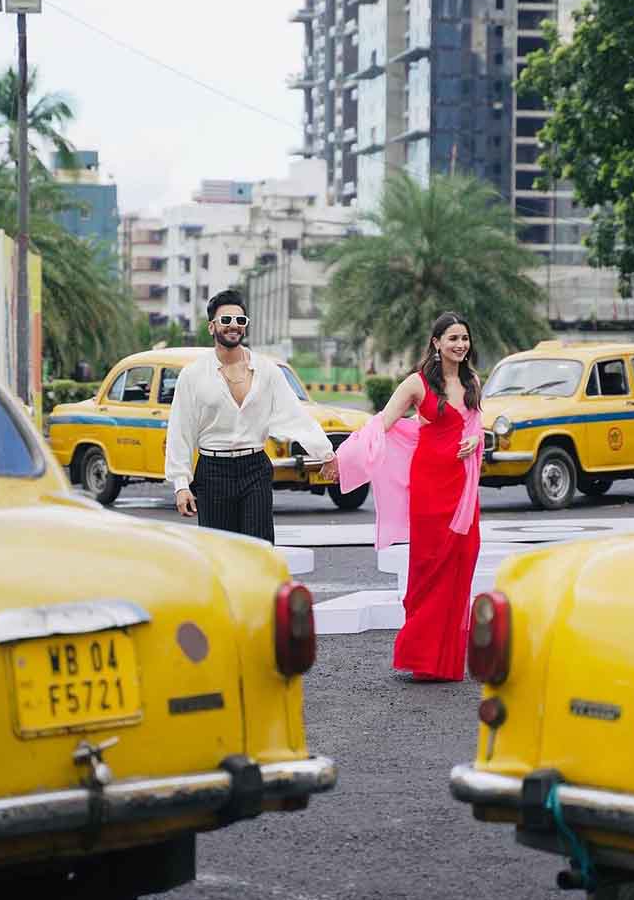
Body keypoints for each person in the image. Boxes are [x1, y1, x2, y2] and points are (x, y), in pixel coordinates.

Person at [321, 312, 483, 682]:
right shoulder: (416, 384)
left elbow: (478, 428)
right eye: (453, 338)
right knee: (428, 570)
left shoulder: (473, 382)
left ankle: (445, 660)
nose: (460, 345)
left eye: (465, 338)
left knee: (462, 562)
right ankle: (422, 656)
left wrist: (476, 441)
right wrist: (342, 459)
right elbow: (380, 424)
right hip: (428, 486)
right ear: (436, 343)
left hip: (462, 491)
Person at [165, 289, 335, 543]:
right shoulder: (193, 375)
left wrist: (325, 454)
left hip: (254, 468)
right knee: (220, 553)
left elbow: (294, 415)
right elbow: (180, 430)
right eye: (226, 320)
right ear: (211, 327)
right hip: (213, 471)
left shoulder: (268, 371)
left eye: (240, 321)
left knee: (260, 550)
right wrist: (181, 484)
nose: (233, 325)